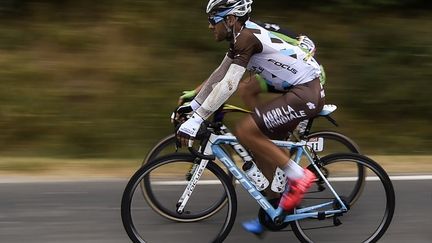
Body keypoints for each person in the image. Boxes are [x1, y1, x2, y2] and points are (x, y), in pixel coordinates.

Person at [175, 0, 325, 235]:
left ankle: (299, 176)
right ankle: (273, 211)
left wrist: (197, 119)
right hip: (297, 90)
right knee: (258, 144)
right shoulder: (239, 38)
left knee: (246, 130)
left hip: (305, 92)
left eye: (212, 21)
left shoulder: (246, 39)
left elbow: (229, 85)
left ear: (230, 19)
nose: (209, 26)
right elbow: (218, 75)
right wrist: (194, 106)